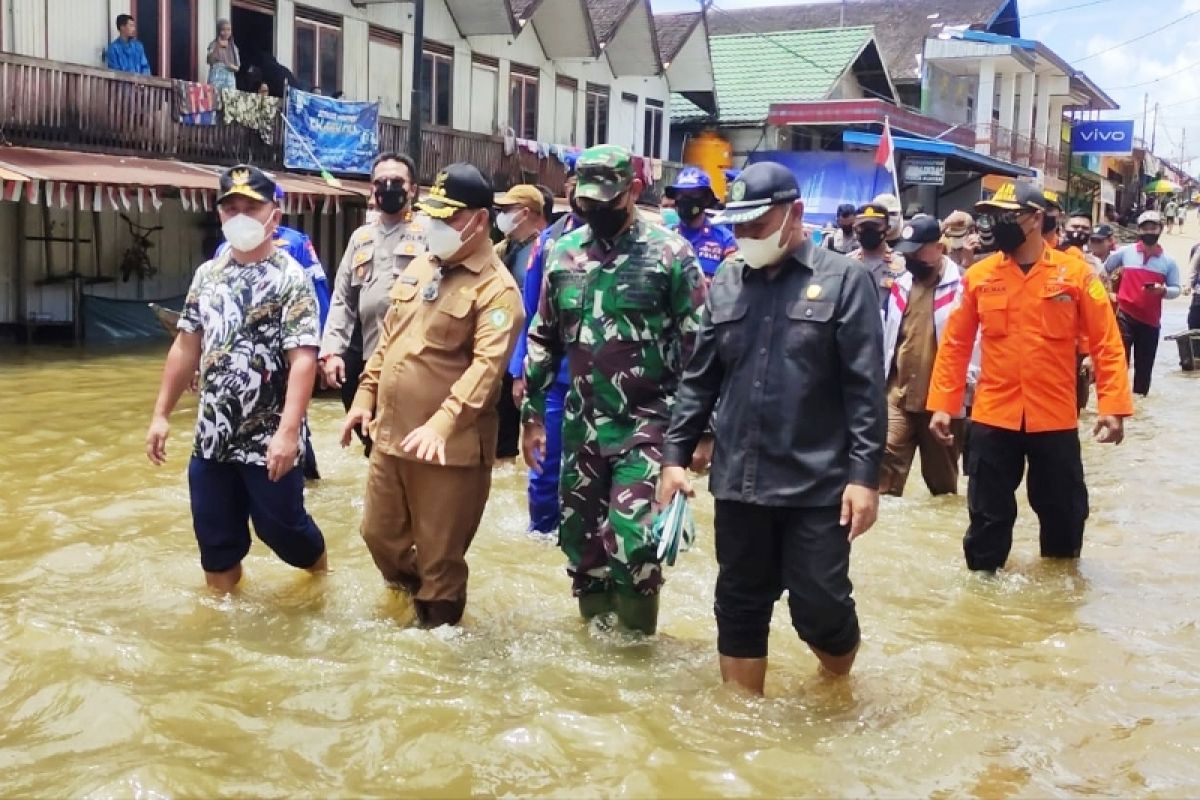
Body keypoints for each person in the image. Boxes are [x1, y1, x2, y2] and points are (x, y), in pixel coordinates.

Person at [658, 162, 884, 695]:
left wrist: (865, 477)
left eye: (756, 226)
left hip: (818, 484)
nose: (744, 238)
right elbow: (699, 379)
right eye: (737, 227)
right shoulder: (728, 281)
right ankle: (741, 727)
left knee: (820, 606)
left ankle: (836, 687)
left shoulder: (844, 280)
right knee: (738, 603)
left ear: (795, 215)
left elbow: (865, 388)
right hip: (740, 479)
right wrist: (673, 458)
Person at [521, 144, 706, 635]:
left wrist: (697, 438)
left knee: (634, 544)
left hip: (647, 425)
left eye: (607, 202)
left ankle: (636, 657)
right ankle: (598, 657)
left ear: (634, 191)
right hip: (582, 426)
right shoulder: (563, 253)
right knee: (581, 546)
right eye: (587, 204)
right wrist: (533, 417)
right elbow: (544, 337)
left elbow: (700, 350)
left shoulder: (670, 254)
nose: (597, 212)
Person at [341, 163, 524, 628]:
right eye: (433, 216)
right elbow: (388, 341)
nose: (435, 226)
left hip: (449, 452)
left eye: (447, 217)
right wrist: (364, 398)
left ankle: (437, 646)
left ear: (479, 221)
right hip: (391, 436)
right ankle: (413, 602)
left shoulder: (497, 290)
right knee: (377, 535)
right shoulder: (421, 267)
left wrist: (441, 423)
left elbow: (486, 372)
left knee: (441, 561)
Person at [926, 181, 1133, 572]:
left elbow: (1106, 342)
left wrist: (1113, 406)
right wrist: (943, 405)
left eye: (1006, 216)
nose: (993, 225)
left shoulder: (1075, 275)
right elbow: (955, 343)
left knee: (1064, 518)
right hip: (993, 416)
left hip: (1053, 418)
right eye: (989, 216)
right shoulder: (980, 275)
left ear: (1036, 218)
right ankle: (983, 602)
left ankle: (1057, 600)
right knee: (987, 519)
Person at [145, 165, 327, 591]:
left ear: (274, 216)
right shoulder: (208, 275)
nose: (240, 216)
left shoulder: (290, 278)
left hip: (268, 435)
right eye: (231, 208)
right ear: (220, 216)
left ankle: (320, 574)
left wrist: (287, 434)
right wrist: (161, 414)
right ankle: (223, 634)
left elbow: (304, 358)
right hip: (212, 436)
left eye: (251, 207)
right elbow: (186, 345)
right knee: (216, 544)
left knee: (285, 533)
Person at [320, 152, 425, 418]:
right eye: (380, 182)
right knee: (368, 431)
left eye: (397, 181)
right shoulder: (361, 237)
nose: (388, 188)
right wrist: (332, 352)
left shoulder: (430, 232)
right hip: (369, 352)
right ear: (372, 189)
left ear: (412, 189)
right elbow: (342, 299)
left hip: (416, 358)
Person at [510, 167, 582, 535]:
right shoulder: (550, 241)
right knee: (542, 465)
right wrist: (519, 372)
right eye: (573, 185)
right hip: (553, 376)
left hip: (609, 383)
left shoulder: (639, 245)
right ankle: (541, 533)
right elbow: (529, 311)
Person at [879, 215, 968, 497]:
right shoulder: (901, 284)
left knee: (942, 489)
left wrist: (963, 396)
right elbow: (889, 338)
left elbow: (973, 347)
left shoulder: (963, 287)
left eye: (917, 251)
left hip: (942, 401)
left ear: (939, 248)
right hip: (898, 395)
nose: (910, 257)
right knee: (882, 474)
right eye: (907, 251)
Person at [493, 184, 551, 462]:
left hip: (529, 356)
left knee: (532, 433)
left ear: (526, 213)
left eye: (507, 210)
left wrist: (521, 367)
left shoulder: (546, 251)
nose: (501, 216)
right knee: (500, 436)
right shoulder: (504, 250)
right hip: (499, 351)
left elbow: (540, 314)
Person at [1104, 210, 1182, 396]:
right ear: (1139, 230)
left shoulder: (1168, 262)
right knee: (1118, 364)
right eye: (1145, 227)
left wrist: (1163, 290)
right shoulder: (1125, 252)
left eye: (1153, 227)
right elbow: (1104, 269)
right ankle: (1118, 403)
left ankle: (1140, 408)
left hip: (1150, 322)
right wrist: (1110, 293)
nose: (1149, 231)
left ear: (1160, 229)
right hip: (1124, 316)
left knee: (1144, 371)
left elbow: (1176, 289)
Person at [664, 167, 738, 282]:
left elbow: (732, 283)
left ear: (706, 198)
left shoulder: (725, 240)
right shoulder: (665, 235)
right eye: (681, 195)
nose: (685, 200)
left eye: (692, 194)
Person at [849, 203, 906, 308]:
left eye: (875, 226)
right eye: (863, 227)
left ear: (887, 229)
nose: (868, 231)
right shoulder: (847, 263)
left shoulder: (903, 265)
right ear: (855, 229)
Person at [206, 19, 241, 91]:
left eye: (229, 30)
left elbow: (237, 67)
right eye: (223, 30)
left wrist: (230, 66)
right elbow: (209, 60)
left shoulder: (234, 48)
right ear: (219, 31)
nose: (226, 32)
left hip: (229, 80)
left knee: (229, 100)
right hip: (216, 78)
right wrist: (218, 46)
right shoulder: (214, 44)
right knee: (215, 98)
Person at [1188, 243, 1200, 330]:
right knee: (1194, 327)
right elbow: (1193, 269)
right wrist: (1189, 284)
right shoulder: (1197, 249)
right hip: (1198, 297)